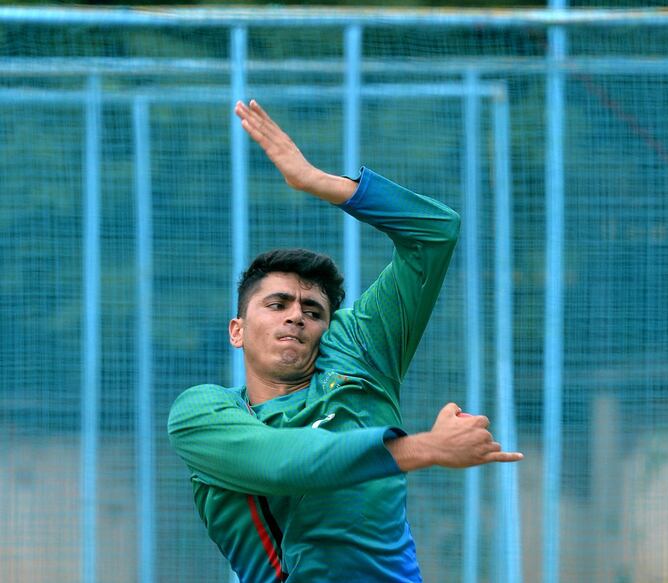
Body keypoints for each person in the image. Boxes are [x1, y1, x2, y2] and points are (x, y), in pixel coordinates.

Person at [168, 100, 523, 583]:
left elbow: (435, 233)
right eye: (276, 304)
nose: (296, 315)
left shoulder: (359, 351)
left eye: (312, 310)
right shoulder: (202, 414)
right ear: (237, 330)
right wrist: (429, 448)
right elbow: (286, 464)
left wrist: (313, 180)